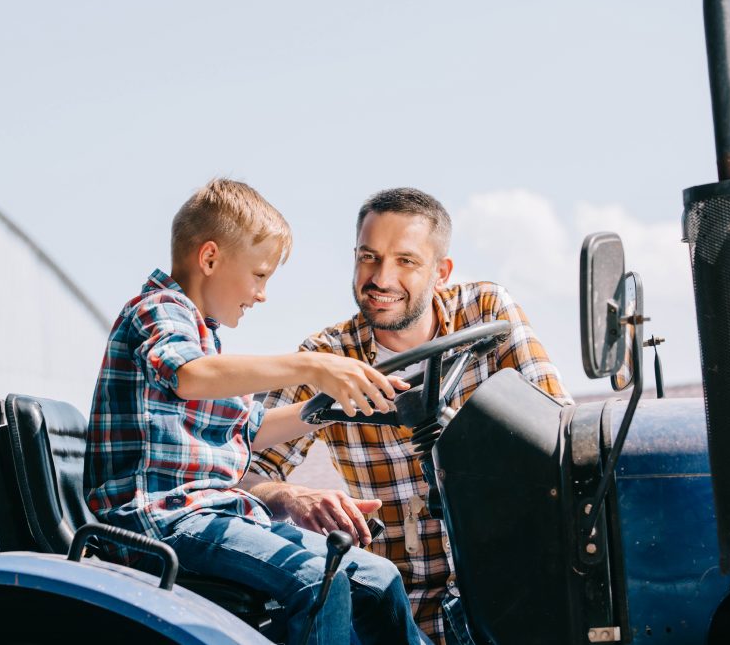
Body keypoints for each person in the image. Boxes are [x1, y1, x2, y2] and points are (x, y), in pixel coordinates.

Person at [84, 178, 428, 645]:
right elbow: (188, 375)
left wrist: (333, 408)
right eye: (260, 275)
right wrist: (314, 365)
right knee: (317, 579)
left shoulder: (204, 336)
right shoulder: (159, 310)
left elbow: (252, 430)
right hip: (162, 520)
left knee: (379, 578)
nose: (262, 294)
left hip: (211, 515)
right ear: (210, 259)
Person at [242, 187, 572, 643]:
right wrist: (290, 496)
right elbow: (238, 465)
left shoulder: (486, 312)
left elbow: (560, 435)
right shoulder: (326, 358)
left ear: (441, 273)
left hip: (512, 589)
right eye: (369, 257)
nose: (381, 278)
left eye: (405, 261)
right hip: (403, 608)